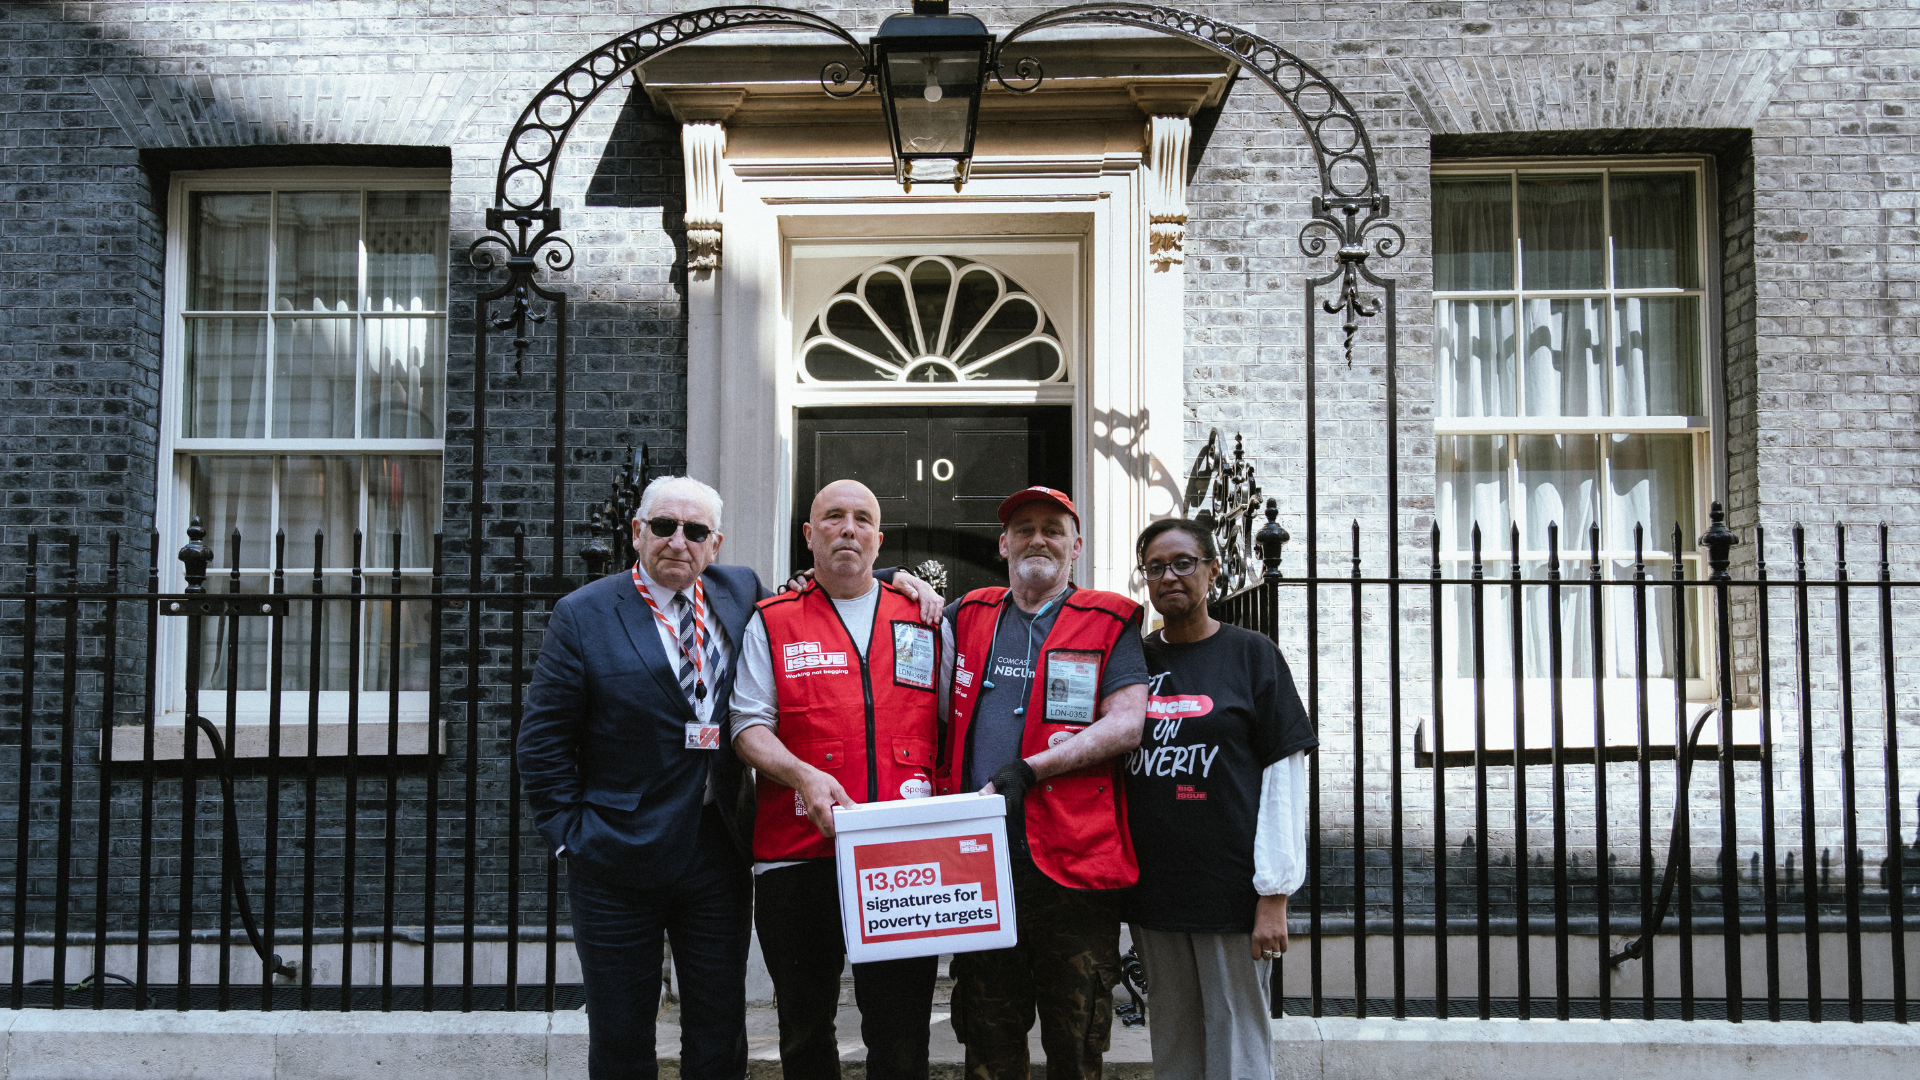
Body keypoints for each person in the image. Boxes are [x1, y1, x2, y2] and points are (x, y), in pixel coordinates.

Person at [518, 476, 940, 1080]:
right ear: (637, 532)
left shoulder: (740, 592)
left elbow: (838, 583)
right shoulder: (583, 614)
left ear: (714, 545)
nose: (677, 542)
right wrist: (569, 836)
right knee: (621, 1033)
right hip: (616, 856)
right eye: (663, 527)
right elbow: (542, 742)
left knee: (719, 1032)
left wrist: (903, 578)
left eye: (694, 532)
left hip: (717, 850)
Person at [730, 479, 952, 1080]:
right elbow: (747, 726)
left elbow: (953, 725)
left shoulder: (926, 619)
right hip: (797, 857)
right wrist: (802, 775)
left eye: (861, 519)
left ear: (879, 540)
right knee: (803, 1029)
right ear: (809, 534)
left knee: (901, 1032)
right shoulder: (772, 620)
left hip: (902, 857)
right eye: (832, 517)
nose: (846, 528)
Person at [936, 486, 1152, 1080]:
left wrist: (1030, 770)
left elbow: (1128, 723)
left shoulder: (1110, 618)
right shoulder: (969, 612)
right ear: (1003, 544)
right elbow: (889, 621)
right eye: (1024, 528)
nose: (1038, 539)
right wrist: (889, 573)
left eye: (1053, 529)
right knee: (987, 1033)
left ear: (1076, 546)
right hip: (980, 862)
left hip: (1073, 863)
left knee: (1075, 1039)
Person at [1125, 518, 1314, 1080]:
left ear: (1213, 570)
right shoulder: (1132, 660)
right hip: (1154, 893)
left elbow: (1284, 775)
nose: (1170, 576)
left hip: (1232, 894)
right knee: (1175, 1044)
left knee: (1238, 1043)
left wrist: (1274, 894)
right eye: (1156, 567)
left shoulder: (1252, 655)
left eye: (1184, 562)